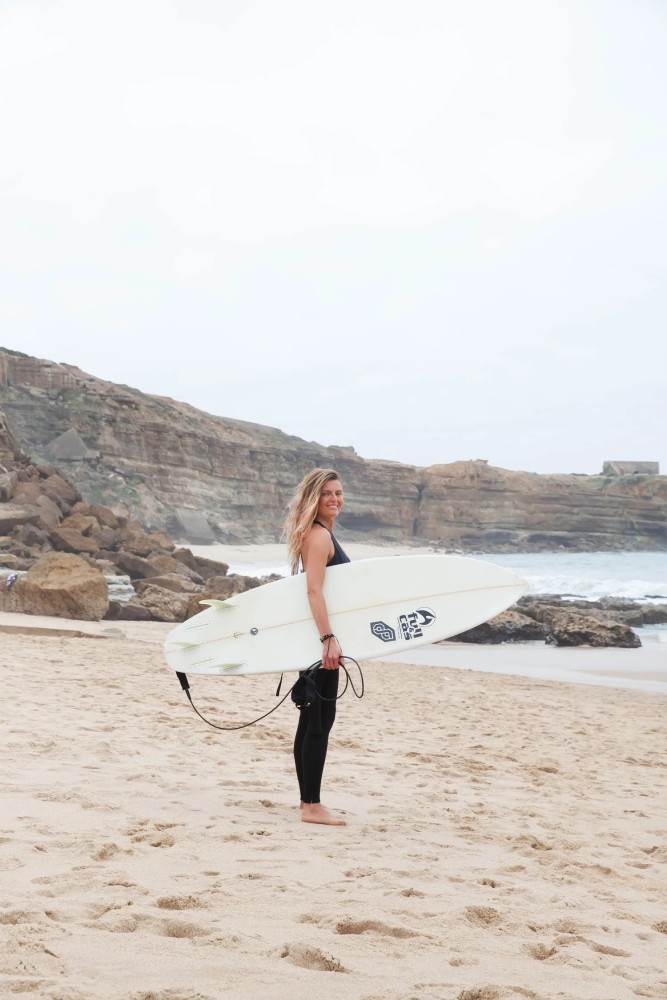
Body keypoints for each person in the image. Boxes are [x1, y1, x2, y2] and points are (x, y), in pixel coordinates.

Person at [283, 468, 350, 826]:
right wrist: (328, 639)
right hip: (320, 641)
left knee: (312, 718)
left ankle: (306, 799)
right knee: (319, 721)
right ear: (314, 497)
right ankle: (312, 805)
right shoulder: (319, 537)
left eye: (338, 493)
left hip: (315, 639)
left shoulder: (317, 533)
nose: (335, 499)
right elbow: (313, 591)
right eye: (327, 494)